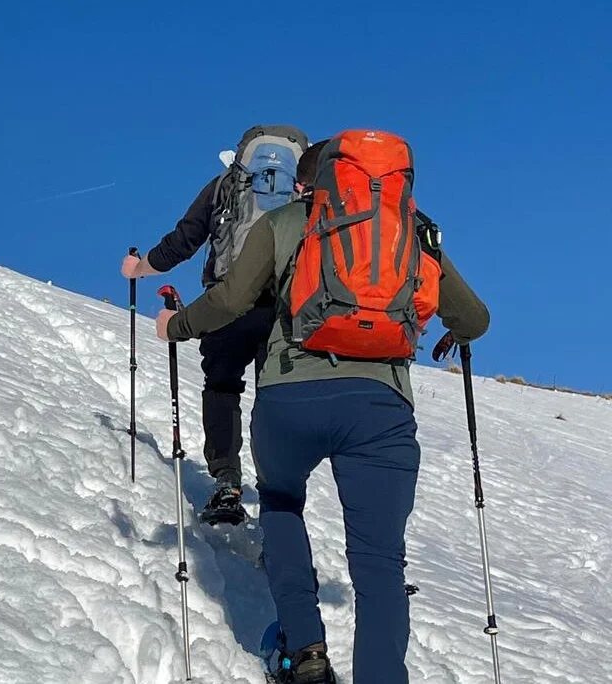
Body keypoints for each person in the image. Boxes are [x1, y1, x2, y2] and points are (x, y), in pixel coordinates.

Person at [155, 134, 490, 684]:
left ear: (311, 181)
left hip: (291, 399)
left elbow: (231, 301)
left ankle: (304, 655)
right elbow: (475, 319)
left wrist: (179, 327)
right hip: (381, 410)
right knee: (380, 561)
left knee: (283, 505)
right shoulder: (411, 228)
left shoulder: (288, 221)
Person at [122, 125, 308, 525]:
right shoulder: (305, 193)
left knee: (222, 387)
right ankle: (278, 496)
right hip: (287, 313)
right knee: (274, 400)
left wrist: (141, 268)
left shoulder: (226, 185)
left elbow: (186, 238)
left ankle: (226, 480)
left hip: (228, 304)